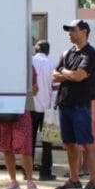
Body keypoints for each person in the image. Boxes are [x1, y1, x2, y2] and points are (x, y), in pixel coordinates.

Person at [53, 19, 95, 189]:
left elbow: (79, 76)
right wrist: (68, 74)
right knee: (70, 145)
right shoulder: (67, 53)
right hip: (65, 104)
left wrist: (65, 73)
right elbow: (54, 74)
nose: (69, 33)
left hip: (82, 106)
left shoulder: (91, 54)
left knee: (88, 145)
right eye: (69, 30)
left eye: (73, 30)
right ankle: (74, 180)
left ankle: (93, 184)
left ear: (84, 32)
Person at [0, 69, 39, 189]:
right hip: (4, 107)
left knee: (25, 147)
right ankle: (13, 181)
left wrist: (27, 90)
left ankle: (29, 180)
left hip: (21, 109)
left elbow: (35, 90)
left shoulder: (28, 65)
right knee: (6, 147)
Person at [31, 40, 57, 181]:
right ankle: (45, 172)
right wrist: (53, 106)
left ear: (36, 49)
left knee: (30, 139)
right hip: (48, 107)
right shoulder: (52, 64)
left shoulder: (30, 61)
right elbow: (56, 88)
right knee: (47, 141)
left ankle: (27, 171)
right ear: (48, 51)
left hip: (31, 107)